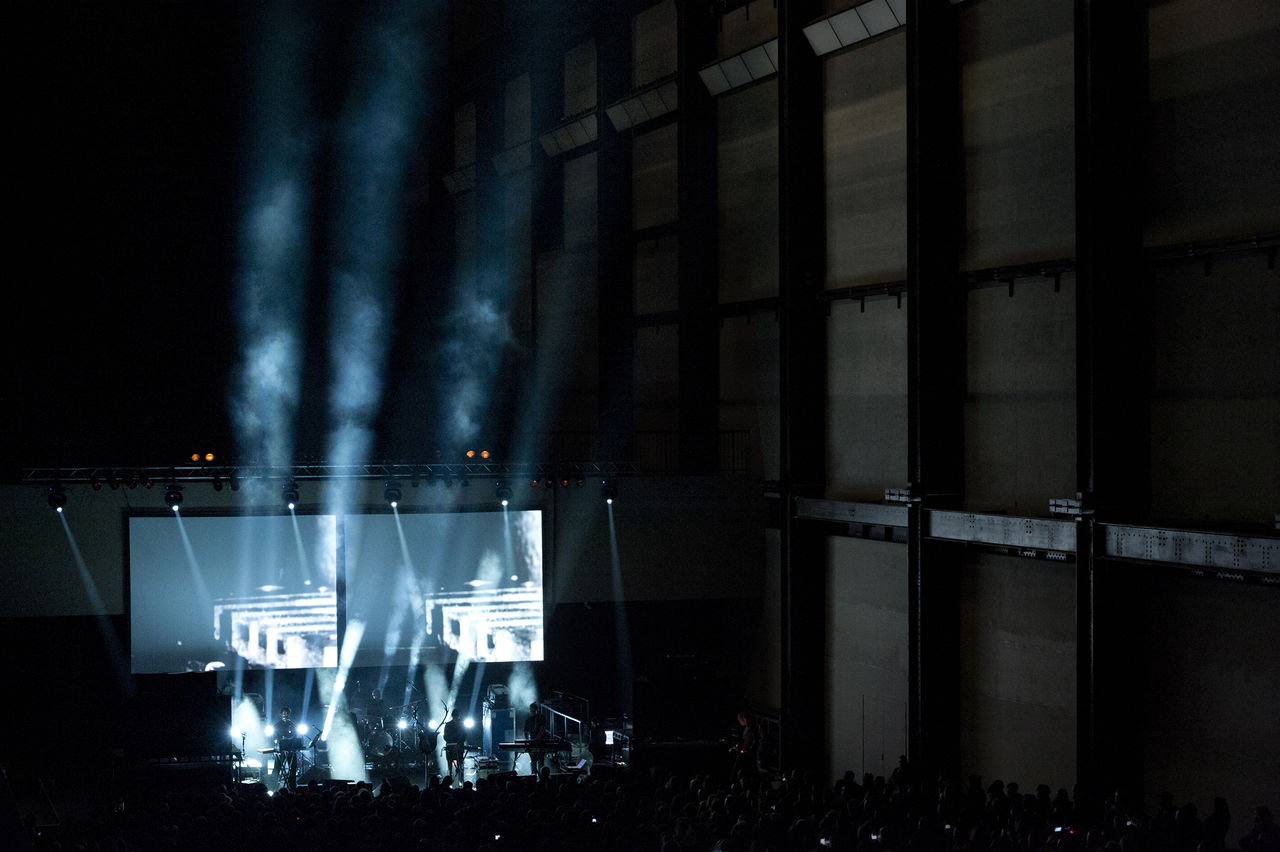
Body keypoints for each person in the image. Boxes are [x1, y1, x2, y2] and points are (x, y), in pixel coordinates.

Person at [274, 706, 300, 792]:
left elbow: (295, 734)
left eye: (287, 713)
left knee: (293, 766)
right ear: (280, 714)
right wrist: (280, 739)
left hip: (291, 748)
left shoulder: (292, 724)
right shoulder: (277, 725)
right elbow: (275, 737)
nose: (285, 715)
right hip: (281, 748)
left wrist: (292, 739)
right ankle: (273, 784)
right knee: (278, 767)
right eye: (284, 713)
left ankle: (292, 785)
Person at [730, 710, 760, 780]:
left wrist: (748, 750)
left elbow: (753, 740)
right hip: (747, 752)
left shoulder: (751, 728)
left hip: (749, 753)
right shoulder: (748, 728)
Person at [522, 702, 549, 775]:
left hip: (540, 742)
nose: (532, 712)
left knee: (540, 761)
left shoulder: (541, 717)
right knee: (533, 761)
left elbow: (542, 729)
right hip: (533, 743)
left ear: (537, 710)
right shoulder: (528, 720)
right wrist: (528, 739)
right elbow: (525, 731)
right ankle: (534, 774)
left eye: (534, 711)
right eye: (531, 711)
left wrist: (537, 738)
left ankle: (541, 776)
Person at [442, 711, 465, 781]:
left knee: (460, 762)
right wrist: (452, 741)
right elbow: (445, 736)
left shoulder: (461, 724)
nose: (456, 718)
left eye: (457, 716)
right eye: (455, 716)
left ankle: (460, 778)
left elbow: (464, 735)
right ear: (453, 716)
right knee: (450, 761)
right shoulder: (448, 725)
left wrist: (459, 742)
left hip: (459, 746)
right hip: (451, 746)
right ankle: (450, 776)